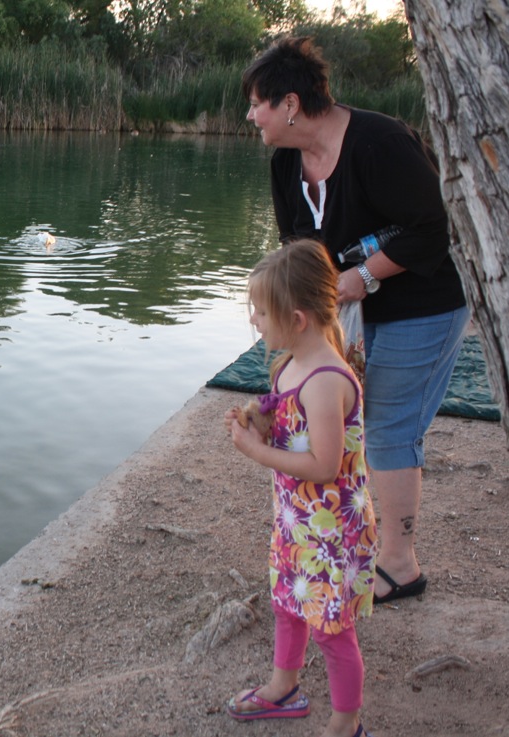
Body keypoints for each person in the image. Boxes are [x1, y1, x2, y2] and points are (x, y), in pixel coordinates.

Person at [241, 36, 469, 605]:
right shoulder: (285, 164)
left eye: (256, 103)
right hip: (350, 311)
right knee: (356, 416)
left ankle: (400, 565)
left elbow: (436, 227)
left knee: (390, 424)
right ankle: (368, 546)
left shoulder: (379, 142)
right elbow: (298, 255)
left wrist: (360, 280)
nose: (250, 115)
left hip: (425, 299)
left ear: (289, 104)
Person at [224, 240, 377, 737]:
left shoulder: (326, 380)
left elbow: (324, 463)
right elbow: (295, 428)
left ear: (297, 318)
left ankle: (345, 723)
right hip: (297, 526)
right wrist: (263, 423)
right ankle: (283, 687)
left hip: (333, 536)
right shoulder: (291, 364)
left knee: (333, 631)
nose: (254, 320)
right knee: (287, 605)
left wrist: (256, 452)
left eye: (261, 312)